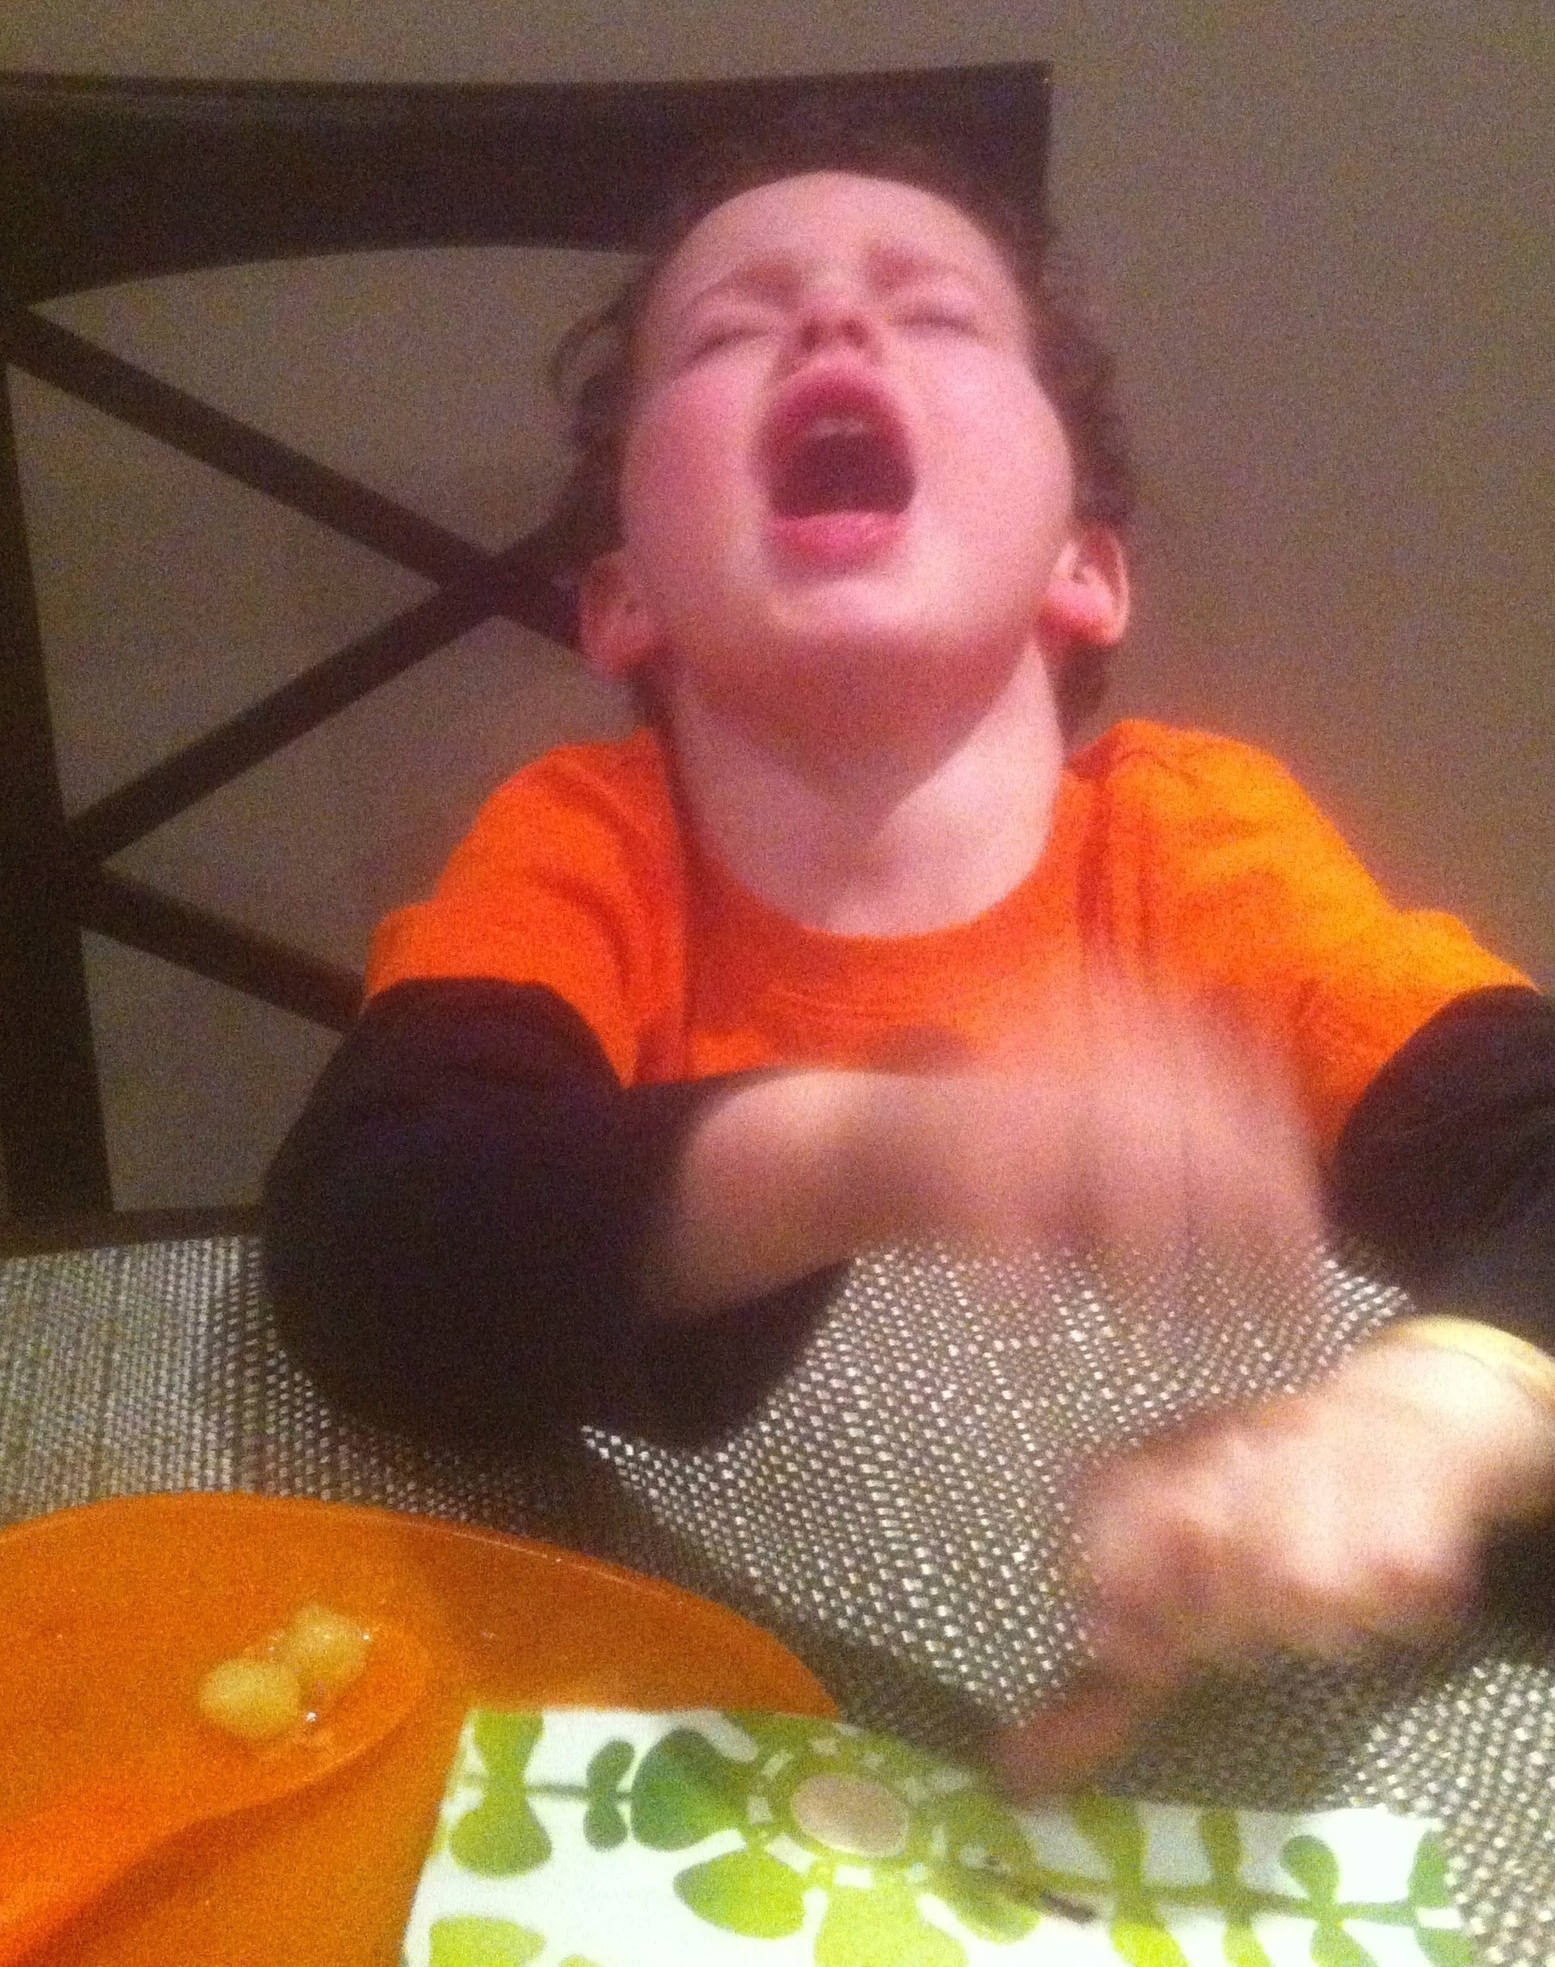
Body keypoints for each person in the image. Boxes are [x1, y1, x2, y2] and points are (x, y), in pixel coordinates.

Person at [262, 117, 1555, 1792]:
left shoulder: (1197, 846)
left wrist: (1431, 1416)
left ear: (1087, 569)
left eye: (935, 313)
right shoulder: (584, 847)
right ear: (623, 597)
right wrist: (875, 1147)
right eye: (729, 331)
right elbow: (370, 1252)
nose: (832, 328)